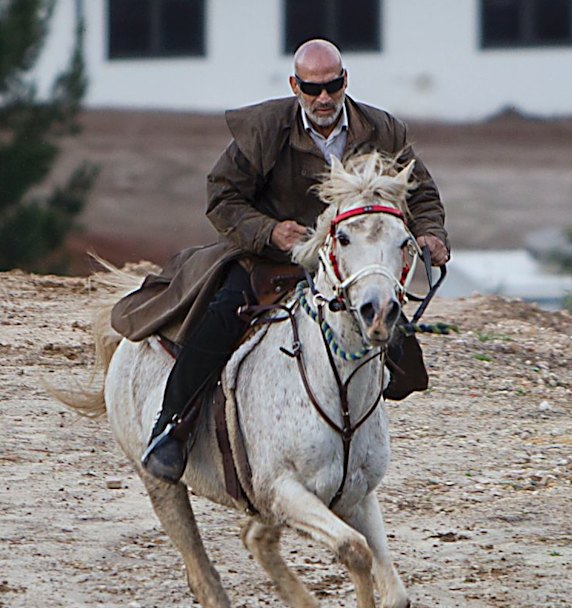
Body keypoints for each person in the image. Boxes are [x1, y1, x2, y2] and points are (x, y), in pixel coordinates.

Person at [111, 39, 450, 484]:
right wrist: (269, 231)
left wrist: (430, 232)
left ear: (345, 81)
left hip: (350, 266)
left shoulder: (383, 130)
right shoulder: (265, 129)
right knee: (219, 324)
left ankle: (353, 437)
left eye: (332, 86)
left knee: (405, 363)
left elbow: (420, 190)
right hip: (274, 260)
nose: (323, 98)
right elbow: (222, 197)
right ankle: (171, 428)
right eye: (312, 89)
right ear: (295, 85)